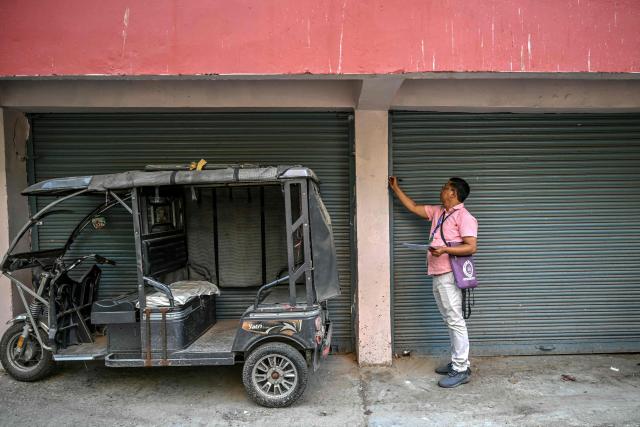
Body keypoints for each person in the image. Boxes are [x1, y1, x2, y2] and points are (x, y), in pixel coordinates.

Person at [389, 176, 478, 388]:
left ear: (453, 193)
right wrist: (395, 188)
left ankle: (461, 369)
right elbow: (412, 206)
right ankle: (458, 362)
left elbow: (471, 247)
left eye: (445, 187)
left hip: (449, 274)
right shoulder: (439, 212)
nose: (441, 189)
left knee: (455, 319)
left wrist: (445, 250)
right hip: (437, 273)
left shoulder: (464, 217)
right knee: (450, 319)